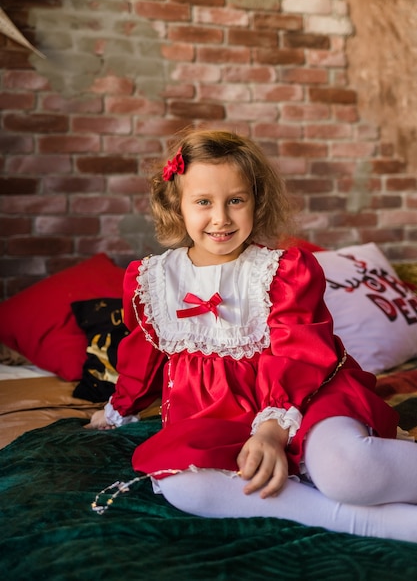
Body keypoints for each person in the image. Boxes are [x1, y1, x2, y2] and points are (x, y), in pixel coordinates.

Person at [90, 129, 417, 543]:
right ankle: (358, 520)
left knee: (346, 471)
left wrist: (272, 430)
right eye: (204, 202)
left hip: (301, 395)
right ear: (177, 204)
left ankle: (342, 482)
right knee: (180, 480)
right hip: (213, 415)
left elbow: (299, 354)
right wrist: (119, 408)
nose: (221, 218)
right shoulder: (151, 279)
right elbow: (143, 357)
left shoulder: (282, 272)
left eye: (236, 200)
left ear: (255, 201)